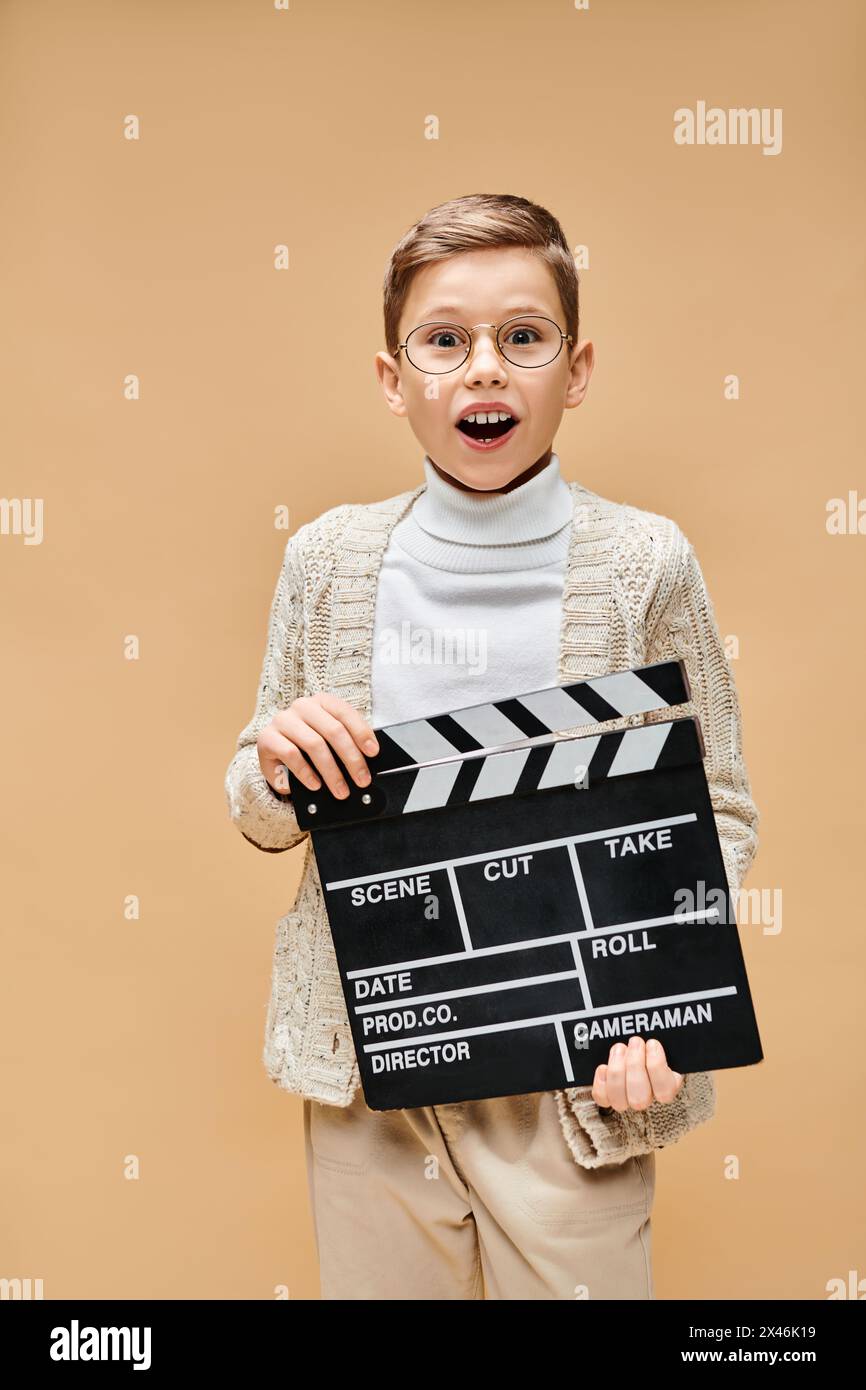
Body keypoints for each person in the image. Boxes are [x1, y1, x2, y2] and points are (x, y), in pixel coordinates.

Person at [224, 193, 760, 1300]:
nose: (483, 370)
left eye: (522, 337)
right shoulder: (326, 561)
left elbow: (715, 804)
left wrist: (656, 994)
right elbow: (259, 803)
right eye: (443, 340)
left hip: (575, 1071)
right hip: (374, 1059)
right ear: (392, 378)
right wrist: (276, 759)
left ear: (576, 369)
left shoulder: (644, 563)